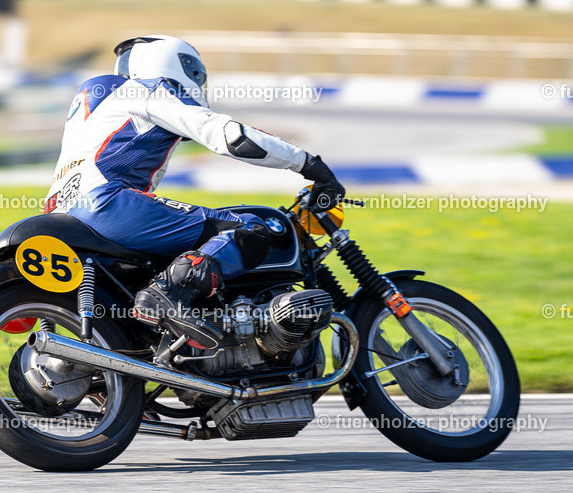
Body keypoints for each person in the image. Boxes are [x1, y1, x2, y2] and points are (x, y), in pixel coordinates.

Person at [42, 35, 345, 349]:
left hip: (60, 214)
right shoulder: (150, 89)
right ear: (173, 62)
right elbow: (232, 137)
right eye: (195, 72)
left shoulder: (97, 108)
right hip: (109, 206)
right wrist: (308, 164)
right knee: (249, 228)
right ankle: (166, 295)